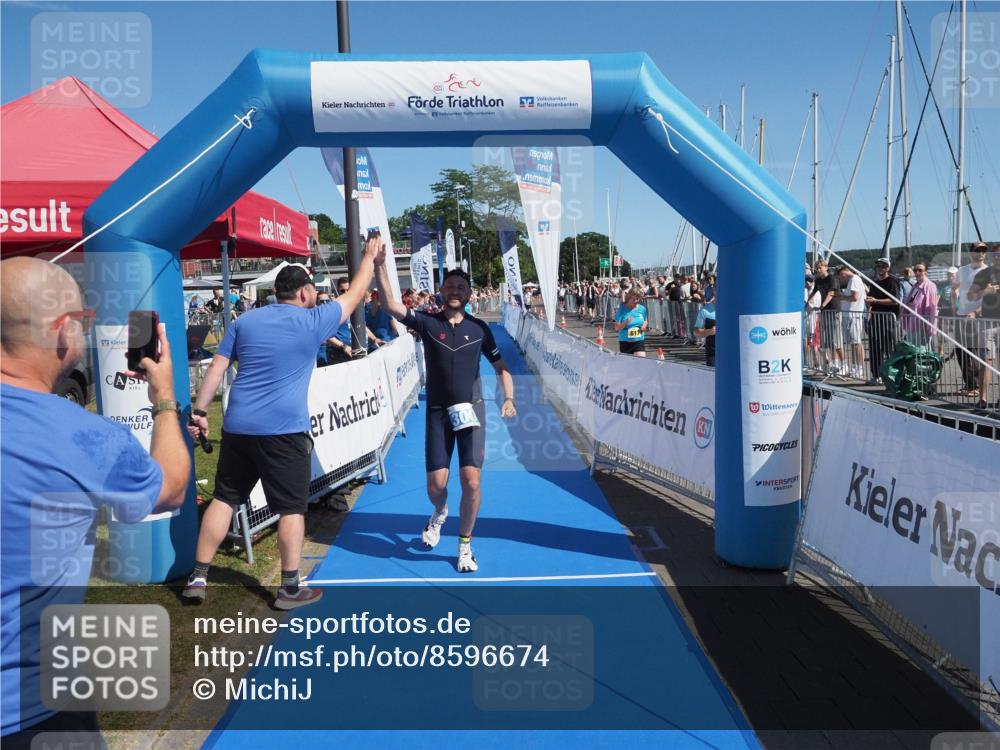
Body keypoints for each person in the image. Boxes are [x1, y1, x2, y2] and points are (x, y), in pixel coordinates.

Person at [1, 258, 189, 744]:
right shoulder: (84, 437)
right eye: (83, 321)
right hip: (32, 710)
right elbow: (170, 488)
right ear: (62, 332)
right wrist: (164, 397)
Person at [185, 241, 379, 609]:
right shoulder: (311, 320)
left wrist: (200, 411)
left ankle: (198, 576)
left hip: (238, 425)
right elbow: (355, 295)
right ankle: (290, 589)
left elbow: (217, 367)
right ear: (305, 292)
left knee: (226, 498)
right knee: (291, 508)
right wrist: (368, 256)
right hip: (283, 431)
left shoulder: (245, 321)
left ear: (276, 292)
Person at [374, 254, 516, 573]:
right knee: (436, 486)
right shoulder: (427, 322)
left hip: (471, 411)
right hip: (438, 412)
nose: (455, 290)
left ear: (468, 294)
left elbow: (502, 368)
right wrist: (381, 265)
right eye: (450, 285)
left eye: (461, 287)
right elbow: (390, 306)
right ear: (441, 290)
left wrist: (509, 398)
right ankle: (440, 511)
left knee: (472, 481)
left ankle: (465, 546)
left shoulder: (480, 329)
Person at [966, 246, 1000, 412]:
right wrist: (985, 291)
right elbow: (971, 295)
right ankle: (983, 399)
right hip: (987, 323)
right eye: (996, 254)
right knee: (985, 363)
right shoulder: (984, 274)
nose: (998, 257)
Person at [955, 242, 989, 396]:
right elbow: (954, 286)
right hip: (961, 315)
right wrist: (953, 304)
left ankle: (975, 386)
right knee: (960, 352)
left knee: (974, 353)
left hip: (978, 318)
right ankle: (969, 384)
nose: (980, 253)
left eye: (983, 250)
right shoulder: (962, 270)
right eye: (977, 250)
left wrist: (976, 312)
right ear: (971, 253)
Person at [865, 257, 901, 385]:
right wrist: (869, 312)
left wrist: (876, 301)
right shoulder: (874, 283)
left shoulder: (892, 281)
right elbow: (870, 302)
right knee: (874, 349)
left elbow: (894, 300)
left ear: (888, 268)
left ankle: (894, 376)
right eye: (878, 266)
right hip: (875, 318)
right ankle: (876, 375)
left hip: (887, 319)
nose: (880, 268)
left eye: (883, 266)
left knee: (889, 348)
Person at [835, 265, 867, 380]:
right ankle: (855, 367)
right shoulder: (854, 280)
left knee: (856, 342)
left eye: (840, 277)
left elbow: (855, 297)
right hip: (851, 315)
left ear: (843, 273)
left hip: (854, 314)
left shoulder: (854, 279)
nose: (841, 280)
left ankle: (859, 368)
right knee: (853, 343)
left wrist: (842, 297)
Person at [808, 260, 840, 374]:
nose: (818, 269)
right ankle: (828, 363)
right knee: (823, 338)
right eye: (817, 267)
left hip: (833, 309)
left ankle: (836, 363)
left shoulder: (832, 278)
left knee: (832, 338)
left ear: (826, 267)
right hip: (824, 311)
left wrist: (822, 306)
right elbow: (814, 291)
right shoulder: (818, 280)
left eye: (820, 267)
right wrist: (807, 302)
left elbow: (831, 293)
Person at [900, 263, 939, 348]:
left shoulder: (930, 286)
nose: (917, 272)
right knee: (913, 351)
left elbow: (932, 307)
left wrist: (930, 327)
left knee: (923, 352)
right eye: (915, 270)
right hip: (913, 323)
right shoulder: (915, 285)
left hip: (922, 326)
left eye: (920, 270)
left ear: (926, 272)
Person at [613, 288, 649, 357]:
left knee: (641, 362)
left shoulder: (642, 308)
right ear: (629, 298)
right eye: (634, 299)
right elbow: (617, 328)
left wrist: (644, 326)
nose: (636, 301)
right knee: (628, 366)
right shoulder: (621, 310)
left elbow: (645, 320)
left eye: (638, 299)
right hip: (625, 342)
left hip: (639, 341)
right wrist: (625, 322)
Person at [693, 289, 717, 366]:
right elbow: (696, 333)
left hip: (731, 351)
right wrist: (709, 331)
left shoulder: (732, 308)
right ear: (714, 292)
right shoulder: (705, 310)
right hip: (713, 352)